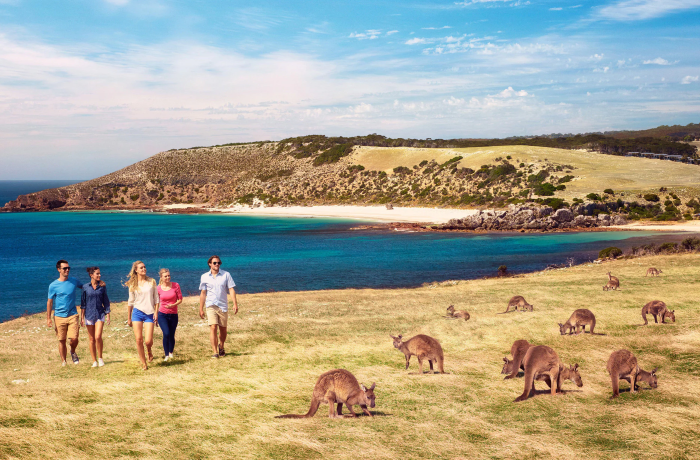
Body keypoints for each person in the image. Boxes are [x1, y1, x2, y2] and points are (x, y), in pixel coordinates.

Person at [47, 260, 92, 366]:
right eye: (65, 268)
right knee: (61, 340)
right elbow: (50, 302)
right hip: (59, 316)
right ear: (59, 270)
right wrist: (48, 318)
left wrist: (96, 282)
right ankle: (64, 361)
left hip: (73, 315)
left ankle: (72, 351)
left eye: (68, 268)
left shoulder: (73, 281)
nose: (67, 270)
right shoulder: (53, 285)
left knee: (74, 338)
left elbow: (85, 287)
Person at [199, 255, 238, 358]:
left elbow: (231, 289)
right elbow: (203, 293)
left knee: (223, 330)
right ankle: (215, 352)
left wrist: (235, 303)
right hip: (211, 305)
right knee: (213, 327)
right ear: (210, 264)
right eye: (215, 263)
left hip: (223, 306)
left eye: (219, 263)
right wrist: (201, 308)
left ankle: (222, 346)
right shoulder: (204, 277)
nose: (217, 265)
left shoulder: (226, 275)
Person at [124, 261, 159, 370]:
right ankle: (144, 363)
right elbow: (130, 302)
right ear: (136, 270)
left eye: (144, 267)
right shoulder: (132, 284)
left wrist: (156, 312)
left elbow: (156, 299)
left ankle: (149, 350)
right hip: (137, 313)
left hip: (149, 313)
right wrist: (129, 318)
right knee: (138, 339)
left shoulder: (151, 281)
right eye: (141, 268)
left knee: (148, 341)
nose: (144, 269)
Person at [80, 266, 111, 368]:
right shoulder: (85, 287)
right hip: (88, 315)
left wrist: (108, 314)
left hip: (100, 314)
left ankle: (100, 358)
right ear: (91, 275)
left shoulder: (102, 286)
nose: (99, 275)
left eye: (99, 273)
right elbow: (83, 303)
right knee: (92, 339)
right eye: (97, 274)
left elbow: (106, 301)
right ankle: (94, 361)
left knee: (98, 336)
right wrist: (82, 318)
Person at [157, 268, 182, 361]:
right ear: (161, 277)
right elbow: (156, 302)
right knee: (166, 333)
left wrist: (173, 305)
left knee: (171, 334)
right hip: (162, 315)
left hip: (173, 314)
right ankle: (166, 354)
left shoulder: (176, 285)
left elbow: (180, 299)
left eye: (169, 276)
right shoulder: (158, 288)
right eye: (165, 276)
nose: (168, 277)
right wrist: (155, 315)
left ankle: (171, 352)